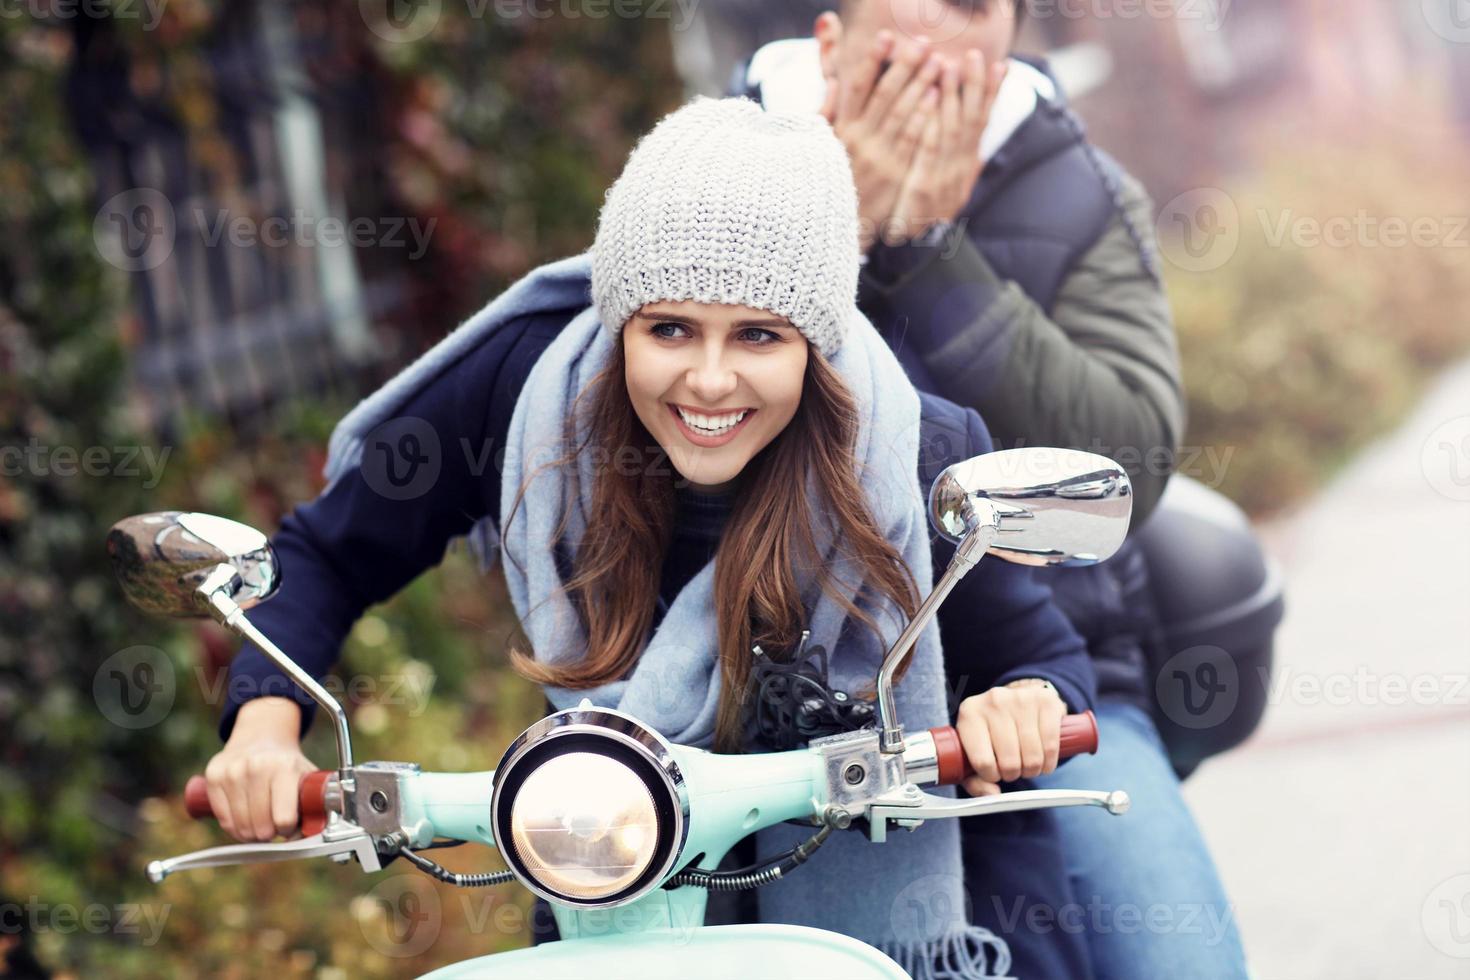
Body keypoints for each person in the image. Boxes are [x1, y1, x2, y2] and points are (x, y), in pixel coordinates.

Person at [205, 97, 1106, 977]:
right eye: (670, 327)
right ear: (618, 318)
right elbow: (327, 553)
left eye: (758, 335)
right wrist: (263, 729)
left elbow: (1036, 653)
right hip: (606, 852)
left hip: (894, 887)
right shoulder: (524, 398)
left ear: (815, 348)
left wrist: (1019, 704)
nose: (709, 381)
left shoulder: (910, 450)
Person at [736, 3, 1251, 976]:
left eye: (969, 18)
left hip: (1053, 672)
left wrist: (930, 253)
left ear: (1010, 34)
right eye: (895, 73)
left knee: (1180, 958)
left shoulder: (1083, 192)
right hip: (770, 687)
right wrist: (835, 235)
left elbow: (1130, 464)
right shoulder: (714, 168)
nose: (932, 65)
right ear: (831, 43)